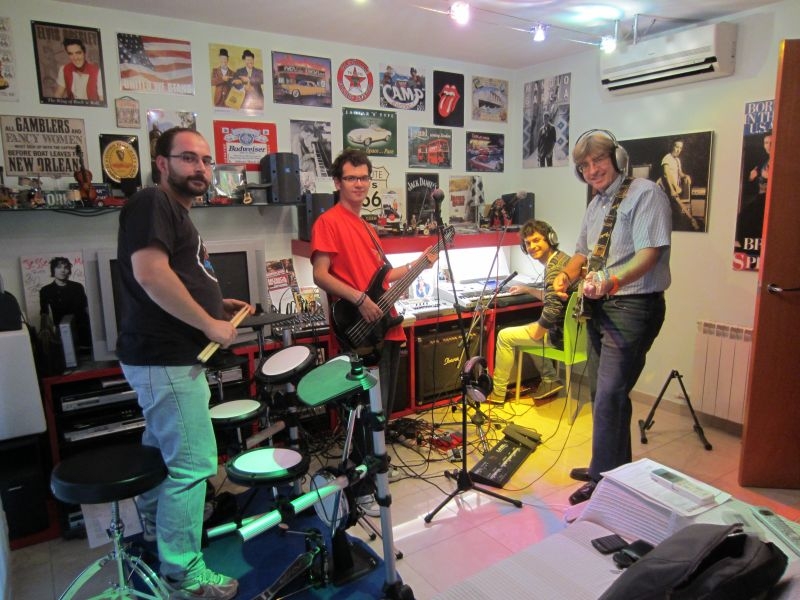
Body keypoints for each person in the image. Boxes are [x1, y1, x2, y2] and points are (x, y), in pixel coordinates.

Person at [116, 126, 252, 599]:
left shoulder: (173, 212)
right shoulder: (152, 202)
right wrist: (210, 323)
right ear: (162, 163)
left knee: (163, 456)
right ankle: (185, 575)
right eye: (188, 158)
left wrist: (215, 302)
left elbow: (176, 275)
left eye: (206, 160)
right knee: (193, 467)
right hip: (168, 360)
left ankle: (158, 537)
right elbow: (151, 275)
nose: (200, 168)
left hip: (166, 359)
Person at [311, 148, 435, 515]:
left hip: (385, 326)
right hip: (360, 327)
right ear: (337, 182)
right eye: (351, 178)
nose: (359, 184)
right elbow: (320, 274)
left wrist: (419, 265)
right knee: (365, 410)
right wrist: (359, 298)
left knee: (381, 410)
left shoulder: (367, 226)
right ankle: (364, 485)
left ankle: (375, 469)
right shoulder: (328, 222)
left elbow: (383, 277)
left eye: (364, 177)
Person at [553, 130, 671, 506]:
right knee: (605, 395)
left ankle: (602, 479)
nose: (591, 170)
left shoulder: (645, 194)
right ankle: (609, 469)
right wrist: (566, 275)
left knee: (608, 396)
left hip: (633, 307)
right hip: (600, 307)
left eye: (598, 160)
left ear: (618, 158)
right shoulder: (596, 205)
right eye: (584, 166)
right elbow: (582, 253)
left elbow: (649, 254)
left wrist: (612, 281)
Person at [486, 220, 574, 404]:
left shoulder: (554, 269)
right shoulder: (562, 259)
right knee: (534, 327)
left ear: (550, 239)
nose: (532, 247)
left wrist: (539, 330)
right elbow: (552, 297)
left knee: (505, 336)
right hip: (573, 334)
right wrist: (528, 289)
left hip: (560, 336)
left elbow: (552, 308)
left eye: (536, 240)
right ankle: (550, 379)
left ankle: (498, 393)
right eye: (528, 243)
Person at [39, 256, 91, 350]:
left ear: (69, 270)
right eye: (59, 267)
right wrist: (47, 331)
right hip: (62, 331)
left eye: (66, 267)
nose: (63, 270)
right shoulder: (46, 290)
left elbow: (86, 307)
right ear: (53, 270)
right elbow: (44, 314)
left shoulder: (77, 287)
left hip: (83, 329)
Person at [735, 130, 771, 250]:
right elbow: (750, 187)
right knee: (742, 217)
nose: (768, 146)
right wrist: (751, 177)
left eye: (771, 143)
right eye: (766, 143)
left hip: (770, 201)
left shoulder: (779, 162)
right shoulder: (763, 163)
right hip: (759, 199)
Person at [659, 138, 698, 230]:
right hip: (668, 190)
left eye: (680, 148)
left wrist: (685, 176)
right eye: (677, 147)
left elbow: (680, 172)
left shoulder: (677, 160)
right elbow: (667, 175)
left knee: (677, 214)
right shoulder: (667, 158)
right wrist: (672, 189)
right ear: (672, 146)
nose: (678, 150)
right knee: (677, 216)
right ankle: (692, 223)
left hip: (675, 190)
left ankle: (692, 222)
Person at [53, 37, 104, 102]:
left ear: (84, 52)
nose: (75, 58)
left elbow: (102, 100)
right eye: (71, 54)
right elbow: (58, 94)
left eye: (78, 53)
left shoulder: (98, 72)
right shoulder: (64, 69)